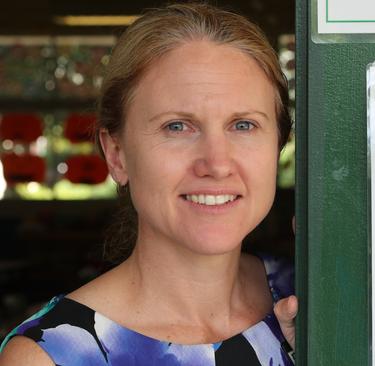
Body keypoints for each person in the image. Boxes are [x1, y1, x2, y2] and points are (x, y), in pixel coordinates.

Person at [0, 3, 297, 365]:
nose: (217, 164)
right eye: (177, 126)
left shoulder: (317, 299)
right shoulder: (52, 355)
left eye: (244, 125)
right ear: (117, 155)